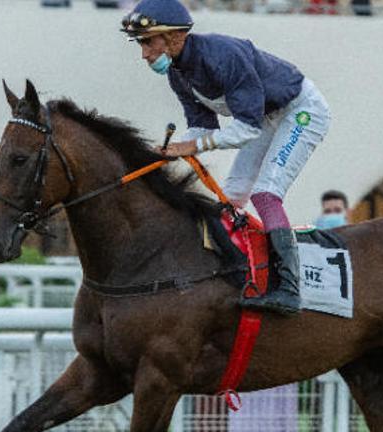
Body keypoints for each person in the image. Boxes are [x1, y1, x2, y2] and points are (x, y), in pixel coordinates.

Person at [121, 0, 331, 315]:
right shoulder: (178, 74)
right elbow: (202, 128)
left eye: (149, 41)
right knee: (230, 198)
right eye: (141, 43)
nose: (144, 53)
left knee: (265, 193)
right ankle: (241, 274)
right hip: (263, 118)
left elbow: (244, 130)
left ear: (175, 36)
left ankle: (289, 289)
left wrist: (190, 148)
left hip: (300, 112)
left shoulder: (223, 56)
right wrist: (167, 150)